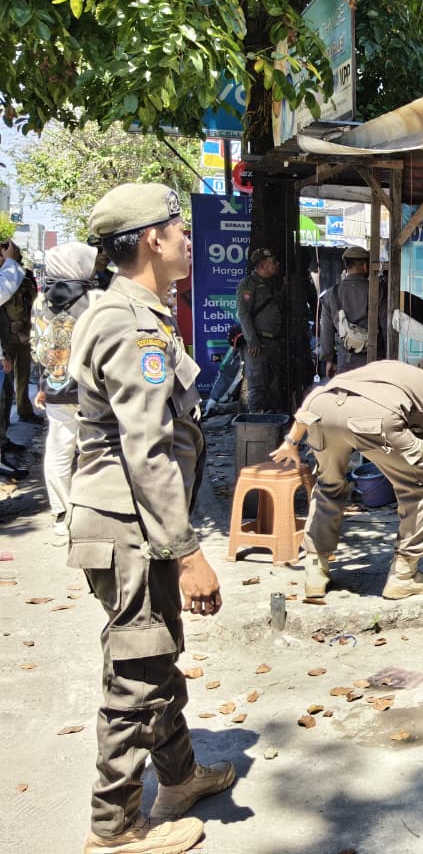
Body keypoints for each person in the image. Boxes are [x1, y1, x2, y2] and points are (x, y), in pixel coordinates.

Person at [68, 183, 234, 854]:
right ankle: (113, 828)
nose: (187, 238)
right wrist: (188, 553)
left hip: (135, 523)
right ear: (150, 240)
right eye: (177, 226)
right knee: (137, 667)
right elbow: (148, 451)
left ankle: (179, 776)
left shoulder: (143, 311)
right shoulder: (130, 323)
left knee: (157, 653)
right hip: (131, 526)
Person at [269, 358, 423, 600]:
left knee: (328, 485)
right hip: (373, 418)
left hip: (322, 411)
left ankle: (315, 571)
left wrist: (291, 441)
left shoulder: (388, 370)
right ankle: (403, 576)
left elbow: (319, 394)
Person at [31, 241, 102, 543]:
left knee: (58, 450)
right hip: (93, 389)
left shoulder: (40, 301)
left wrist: (43, 384)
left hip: (57, 387)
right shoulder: (97, 298)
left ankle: (61, 515)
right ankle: (92, 511)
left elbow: (37, 347)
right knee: (95, 450)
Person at [236, 247, 287, 412]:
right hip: (258, 343)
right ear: (262, 265)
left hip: (273, 342)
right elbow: (243, 314)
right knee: (257, 386)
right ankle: (256, 424)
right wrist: (252, 341)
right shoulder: (248, 284)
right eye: (273, 262)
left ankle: (268, 423)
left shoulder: (271, 284)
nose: (276, 265)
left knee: (272, 384)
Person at [318, 245, 375, 375]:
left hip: (345, 360)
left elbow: (326, 331)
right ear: (366, 266)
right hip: (372, 360)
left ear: (346, 267)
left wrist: (329, 361)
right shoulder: (377, 292)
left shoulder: (331, 294)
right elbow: (385, 326)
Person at [1, 248, 40, 423]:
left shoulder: (25, 277)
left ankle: (24, 409)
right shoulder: (5, 278)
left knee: (22, 376)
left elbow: (33, 302)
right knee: (5, 385)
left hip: (24, 334)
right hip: (6, 337)